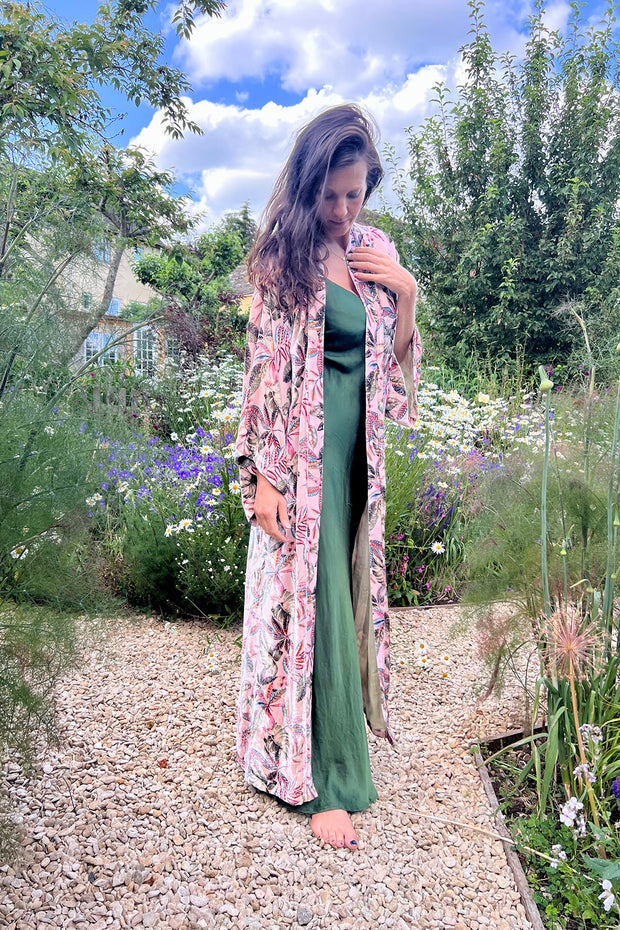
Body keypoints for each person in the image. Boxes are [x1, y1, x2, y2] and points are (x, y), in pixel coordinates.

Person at [235, 104, 422, 850]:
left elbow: (395, 371)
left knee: (340, 596)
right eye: (331, 195)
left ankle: (323, 749)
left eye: (356, 194)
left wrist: (406, 293)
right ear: (307, 186)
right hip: (304, 464)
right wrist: (264, 478)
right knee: (309, 605)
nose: (344, 211)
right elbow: (262, 377)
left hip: (357, 459)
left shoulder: (377, 249)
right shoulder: (283, 258)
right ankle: (326, 780)